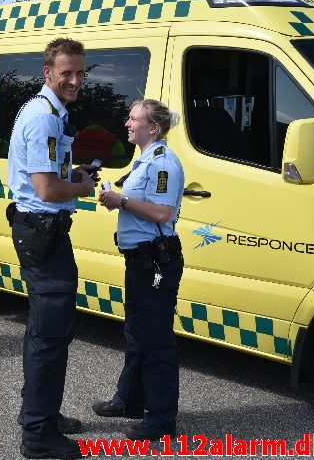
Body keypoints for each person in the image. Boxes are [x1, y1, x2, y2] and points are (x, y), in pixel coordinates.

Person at [7, 38, 98, 460]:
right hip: (43, 232)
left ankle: (39, 413)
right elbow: (45, 189)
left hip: (41, 229)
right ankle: (39, 435)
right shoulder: (44, 118)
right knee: (50, 333)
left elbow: (47, 175)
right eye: (66, 72)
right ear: (48, 72)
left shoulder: (47, 111)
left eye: (80, 72)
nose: (75, 80)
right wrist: (80, 186)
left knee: (45, 329)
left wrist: (72, 173)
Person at [94, 99, 185, 441]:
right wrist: (116, 198)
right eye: (129, 117)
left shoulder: (163, 163)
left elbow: (162, 213)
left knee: (156, 343)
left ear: (153, 128)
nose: (127, 123)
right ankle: (129, 400)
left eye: (134, 119)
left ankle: (161, 421)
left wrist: (122, 201)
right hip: (140, 260)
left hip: (155, 264)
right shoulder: (144, 159)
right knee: (136, 335)